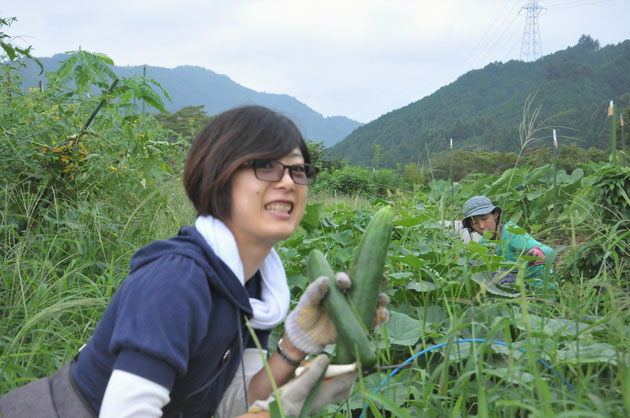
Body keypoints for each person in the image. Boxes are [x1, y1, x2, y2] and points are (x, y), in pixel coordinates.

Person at [0, 105, 387, 418]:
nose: (287, 181)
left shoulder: (253, 286)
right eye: (265, 166)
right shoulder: (178, 279)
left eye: (298, 169)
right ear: (220, 176)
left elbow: (234, 400)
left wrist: (295, 346)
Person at [461, 195, 553, 287]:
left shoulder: (511, 233)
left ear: (495, 215)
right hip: (514, 287)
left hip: (539, 287)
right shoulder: (483, 243)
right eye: (474, 223)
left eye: (484, 219)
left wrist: (537, 252)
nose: (481, 226)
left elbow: (549, 251)